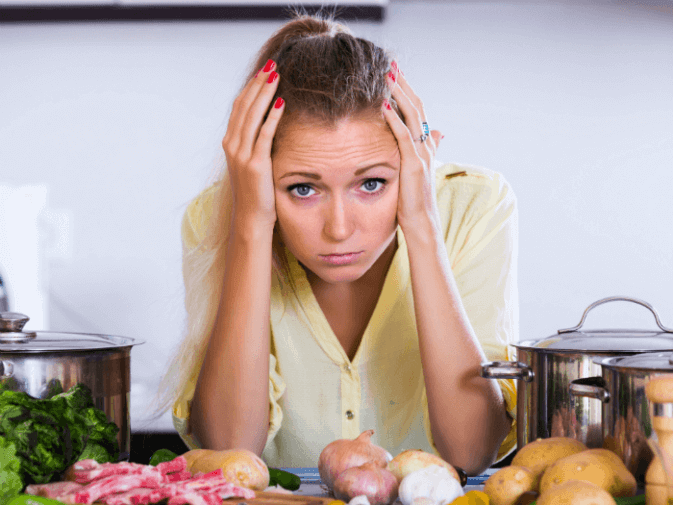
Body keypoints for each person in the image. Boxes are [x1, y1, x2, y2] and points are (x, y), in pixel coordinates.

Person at [156, 12, 519, 476]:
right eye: (303, 189)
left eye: (371, 184)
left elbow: (470, 452)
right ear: (262, 177)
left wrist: (422, 224)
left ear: (412, 161)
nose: (339, 229)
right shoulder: (218, 217)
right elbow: (231, 454)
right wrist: (249, 225)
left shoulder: (475, 205)